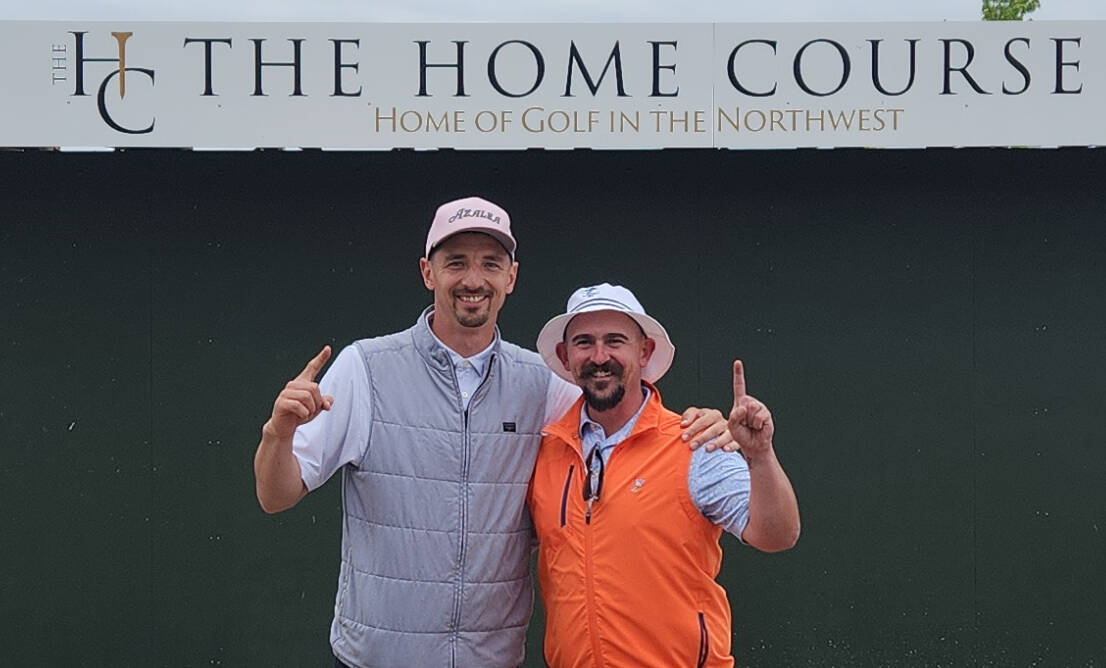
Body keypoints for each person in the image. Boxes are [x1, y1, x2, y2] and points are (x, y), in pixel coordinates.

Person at [252, 197, 736, 668]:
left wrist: (704, 427)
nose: (473, 280)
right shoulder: (364, 368)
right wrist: (278, 434)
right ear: (427, 272)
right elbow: (275, 496)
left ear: (511, 277)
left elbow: (625, 425)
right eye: (456, 262)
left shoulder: (544, 385)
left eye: (490, 264)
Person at [528, 283, 801, 668]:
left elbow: (777, 535)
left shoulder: (695, 442)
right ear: (565, 355)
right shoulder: (547, 452)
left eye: (615, 341)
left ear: (644, 351)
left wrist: (760, 455)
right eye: (584, 342)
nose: (599, 356)